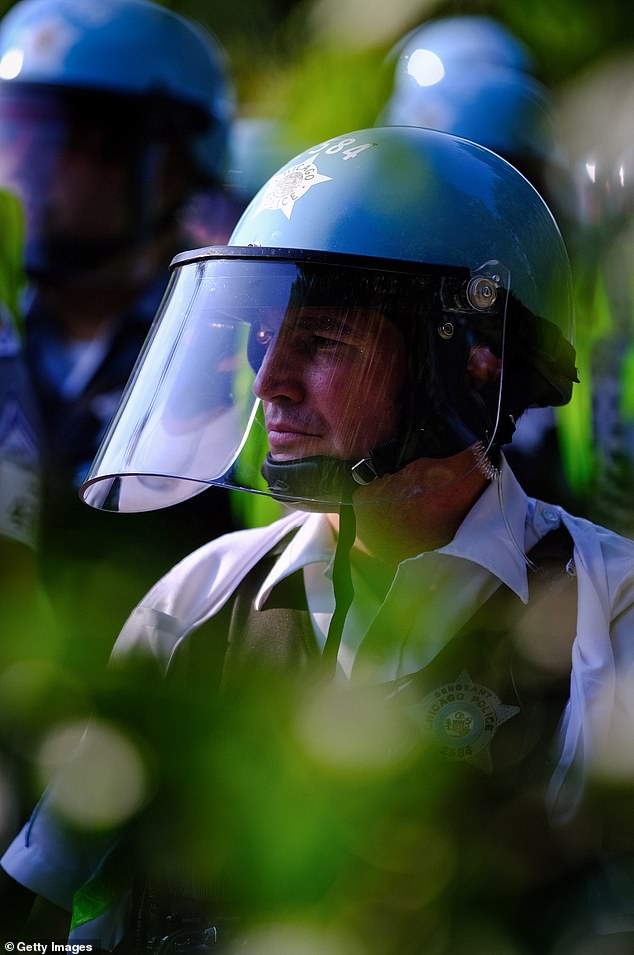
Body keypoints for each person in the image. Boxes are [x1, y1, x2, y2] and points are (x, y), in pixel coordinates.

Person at [3, 125, 634, 952]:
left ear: (472, 364)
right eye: (263, 339)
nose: (269, 383)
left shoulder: (605, 606)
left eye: (324, 342)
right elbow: (36, 903)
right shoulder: (198, 600)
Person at [0, 0, 240, 673]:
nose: (23, 166)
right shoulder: (4, 328)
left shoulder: (234, 350)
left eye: (67, 140)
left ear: (166, 165)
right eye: (13, 131)